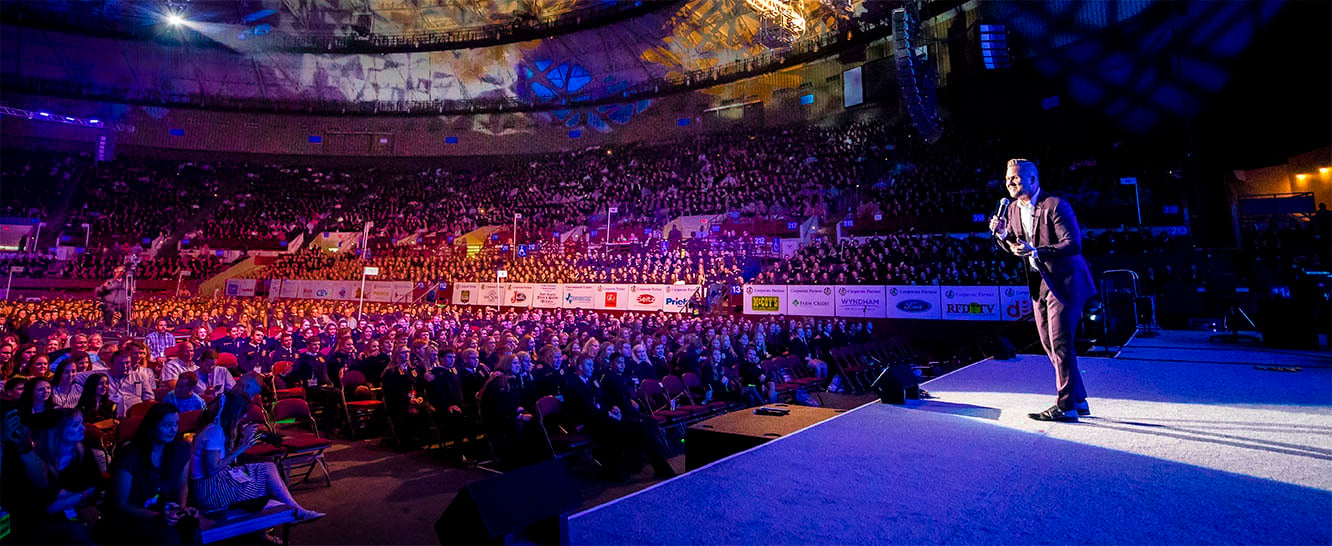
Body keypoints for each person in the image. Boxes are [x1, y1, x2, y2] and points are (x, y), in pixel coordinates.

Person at [990, 158, 1096, 422]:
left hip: (1065, 282)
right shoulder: (1013, 209)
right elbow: (1015, 245)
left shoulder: (1055, 205)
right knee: (1049, 344)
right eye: (1007, 179)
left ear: (1033, 180)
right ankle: (1078, 400)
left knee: (1061, 342)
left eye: (1015, 178)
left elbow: (1072, 244)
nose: (1010, 183)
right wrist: (1003, 238)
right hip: (1040, 283)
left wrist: (1036, 251)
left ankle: (1066, 406)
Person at [188, 391, 324, 519]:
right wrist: (241, 447)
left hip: (217, 482)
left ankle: (294, 510)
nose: (245, 417)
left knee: (268, 468)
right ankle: (293, 512)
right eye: (242, 413)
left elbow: (223, 459)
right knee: (267, 475)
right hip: (212, 491)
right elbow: (212, 469)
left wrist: (241, 439)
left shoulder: (215, 428)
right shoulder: (214, 431)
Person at [99, 403, 199, 545]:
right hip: (133, 515)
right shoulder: (131, 454)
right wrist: (158, 516)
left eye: (176, 424)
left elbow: (182, 485)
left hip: (163, 510)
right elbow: (121, 503)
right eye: (167, 425)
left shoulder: (180, 450)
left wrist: (181, 509)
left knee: (192, 529)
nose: (173, 430)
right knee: (168, 538)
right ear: (152, 426)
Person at [2, 408, 103, 545]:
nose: (83, 429)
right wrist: (81, 494)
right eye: (75, 425)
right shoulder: (33, 458)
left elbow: (96, 488)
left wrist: (69, 498)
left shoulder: (83, 454)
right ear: (56, 431)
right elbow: (45, 505)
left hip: (78, 515)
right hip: (39, 525)